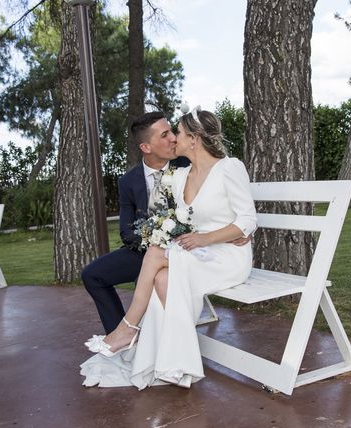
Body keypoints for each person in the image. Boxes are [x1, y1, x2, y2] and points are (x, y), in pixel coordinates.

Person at [81, 107, 257, 389]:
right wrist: (173, 237)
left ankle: (127, 329)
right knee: (160, 277)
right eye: (169, 133)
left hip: (224, 255)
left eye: (178, 132)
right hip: (191, 250)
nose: (174, 138)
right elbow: (163, 219)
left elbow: (246, 219)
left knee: (155, 258)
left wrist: (218, 236)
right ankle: (176, 363)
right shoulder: (182, 175)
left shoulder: (229, 167)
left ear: (194, 139)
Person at [81, 112, 189, 334]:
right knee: (92, 275)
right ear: (146, 147)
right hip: (145, 249)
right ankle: (121, 338)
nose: (174, 139)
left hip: (187, 246)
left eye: (172, 132)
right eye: (165, 134)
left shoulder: (187, 165)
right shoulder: (128, 181)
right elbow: (127, 231)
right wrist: (152, 244)